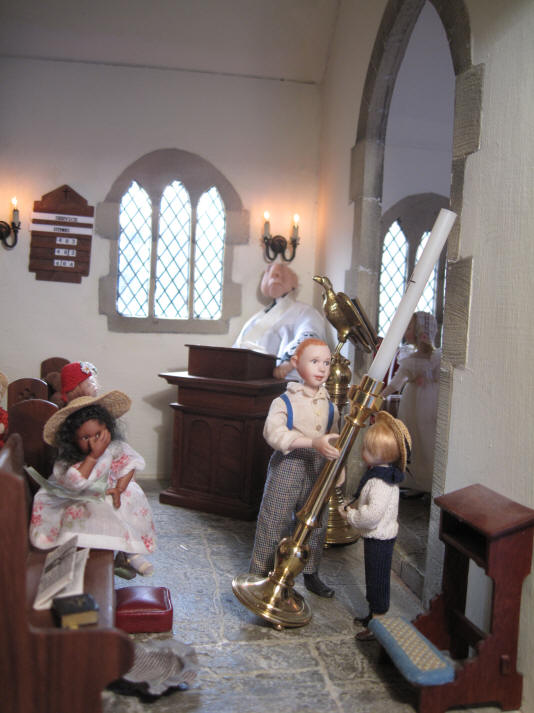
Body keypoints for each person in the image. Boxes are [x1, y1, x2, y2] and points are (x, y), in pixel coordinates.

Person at [29, 390, 156, 576]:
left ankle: (130, 551)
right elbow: (76, 483)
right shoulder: (68, 460)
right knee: (94, 508)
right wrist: (93, 457)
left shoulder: (114, 447)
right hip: (75, 496)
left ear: (107, 429)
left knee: (130, 499)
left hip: (110, 489)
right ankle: (78, 548)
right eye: (85, 438)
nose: (93, 442)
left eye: (98, 434)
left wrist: (120, 487)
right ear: (72, 439)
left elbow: (130, 463)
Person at [249, 338, 340, 597]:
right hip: (289, 465)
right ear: (296, 364)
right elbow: (274, 434)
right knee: (274, 517)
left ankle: (310, 572)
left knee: (315, 522)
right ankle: (260, 572)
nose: (321, 368)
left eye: (326, 363)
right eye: (314, 362)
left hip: (318, 469)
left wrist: (338, 471)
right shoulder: (285, 400)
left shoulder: (329, 404)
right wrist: (312, 442)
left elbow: (336, 438)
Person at [338, 411, 411, 640]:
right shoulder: (383, 475)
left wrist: (351, 516)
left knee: (377, 578)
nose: (363, 453)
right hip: (378, 536)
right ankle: (372, 614)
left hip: (379, 537)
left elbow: (371, 515)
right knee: (372, 576)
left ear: (382, 455)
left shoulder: (380, 482)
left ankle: (378, 622)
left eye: (368, 450)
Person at [233, 262, 327, 380]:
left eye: (282, 271)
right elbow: (237, 349)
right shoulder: (255, 319)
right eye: (270, 272)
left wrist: (288, 362)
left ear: (294, 283)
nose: (276, 275)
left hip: (286, 384)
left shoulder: (305, 312)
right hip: (250, 382)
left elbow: (310, 336)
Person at [381, 311, 441, 495]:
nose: (405, 331)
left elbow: (396, 384)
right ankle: (418, 480)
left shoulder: (433, 357)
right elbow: (396, 383)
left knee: (426, 437)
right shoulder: (411, 359)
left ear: (420, 331)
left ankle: (429, 480)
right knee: (414, 436)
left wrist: (380, 396)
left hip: (422, 402)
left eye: (409, 327)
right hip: (421, 400)